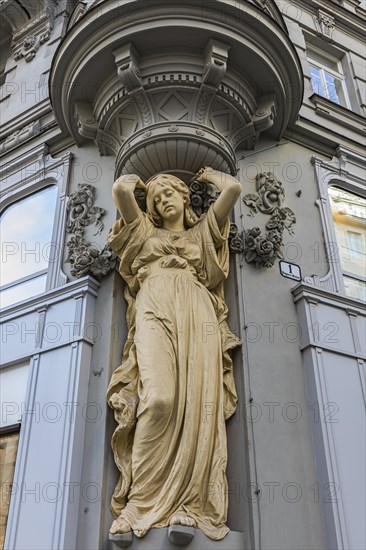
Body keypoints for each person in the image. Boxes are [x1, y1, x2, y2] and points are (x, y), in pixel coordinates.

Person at [107, 167, 241, 540]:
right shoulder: (146, 232)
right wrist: (135, 183)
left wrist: (209, 175)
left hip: (198, 312)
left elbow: (232, 188)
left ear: (185, 198)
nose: (164, 200)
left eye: (171, 193)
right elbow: (120, 192)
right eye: (157, 198)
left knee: (198, 406)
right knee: (160, 398)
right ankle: (139, 502)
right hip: (153, 305)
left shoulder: (203, 232)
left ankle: (190, 504)